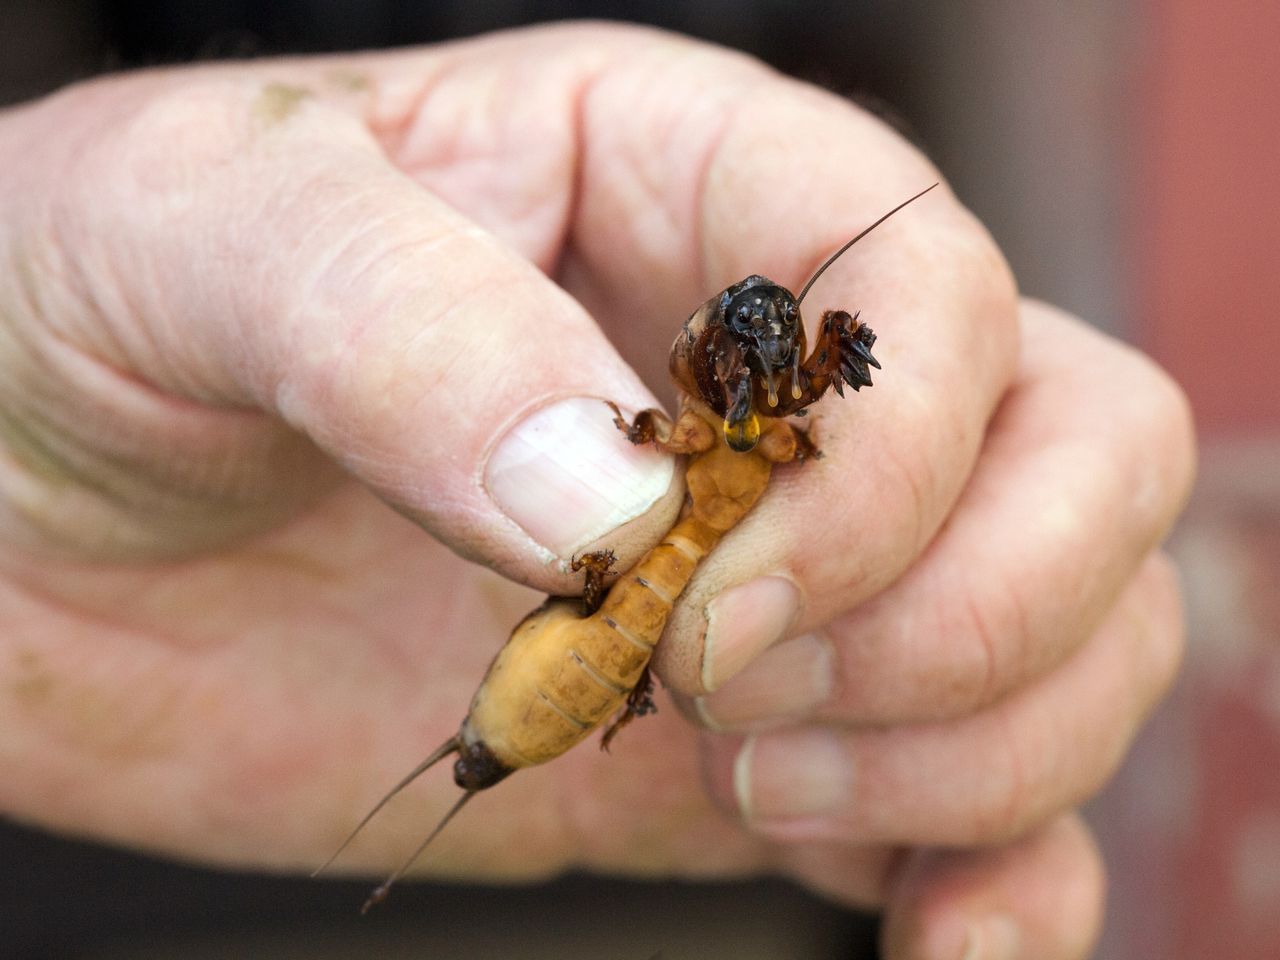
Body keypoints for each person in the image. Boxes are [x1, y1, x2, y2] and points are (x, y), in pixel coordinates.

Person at [0, 22, 1193, 960]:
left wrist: (846, 363)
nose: (767, 345)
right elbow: (668, 417)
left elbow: (808, 428)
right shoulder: (686, 425)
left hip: (627, 635)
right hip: (591, 620)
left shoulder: (772, 432)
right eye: (750, 333)